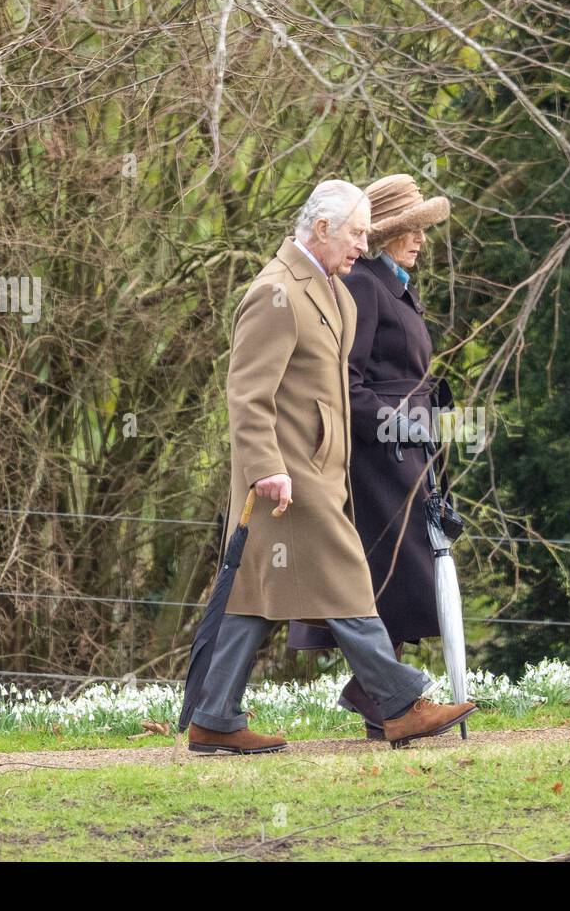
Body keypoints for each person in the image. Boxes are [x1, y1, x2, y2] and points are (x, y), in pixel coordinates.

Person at [184, 178, 476, 753]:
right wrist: (268, 466)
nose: (363, 247)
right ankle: (399, 703)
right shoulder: (274, 292)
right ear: (321, 229)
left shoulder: (334, 290)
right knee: (347, 575)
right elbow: (246, 394)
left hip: (317, 470)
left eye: (367, 234)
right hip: (286, 476)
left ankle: (213, 717)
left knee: (250, 596)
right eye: (356, 234)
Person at [288, 174, 453, 738]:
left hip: (405, 452)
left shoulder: (395, 284)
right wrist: (399, 425)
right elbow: (346, 383)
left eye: (422, 230)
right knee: (389, 575)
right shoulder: (365, 286)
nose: (420, 240)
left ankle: (382, 702)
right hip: (377, 459)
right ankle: (381, 699)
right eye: (410, 230)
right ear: (382, 235)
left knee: (402, 576)